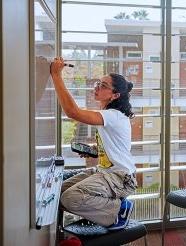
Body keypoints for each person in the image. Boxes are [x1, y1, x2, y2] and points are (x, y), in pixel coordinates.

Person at [50, 57, 137, 230]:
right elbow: (116, 147)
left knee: (70, 198)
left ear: (115, 95)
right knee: (58, 194)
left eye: (103, 85)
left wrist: (56, 75)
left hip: (121, 177)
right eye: (98, 82)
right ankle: (111, 208)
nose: (97, 86)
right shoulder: (109, 115)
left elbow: (72, 112)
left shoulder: (113, 115)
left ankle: (119, 210)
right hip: (105, 171)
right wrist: (94, 151)